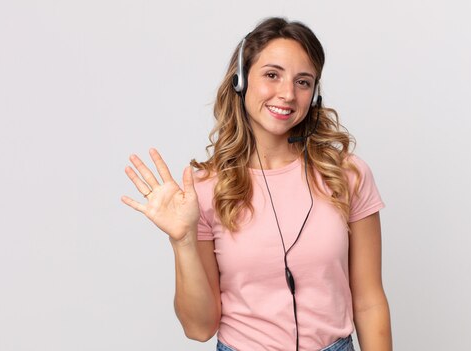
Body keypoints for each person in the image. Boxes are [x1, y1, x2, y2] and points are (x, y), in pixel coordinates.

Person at [122, 17, 392, 351]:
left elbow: (369, 301)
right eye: (272, 75)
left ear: (315, 95)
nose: (288, 94)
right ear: (240, 81)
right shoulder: (206, 189)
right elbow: (199, 328)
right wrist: (183, 241)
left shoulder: (348, 174)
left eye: (303, 82)